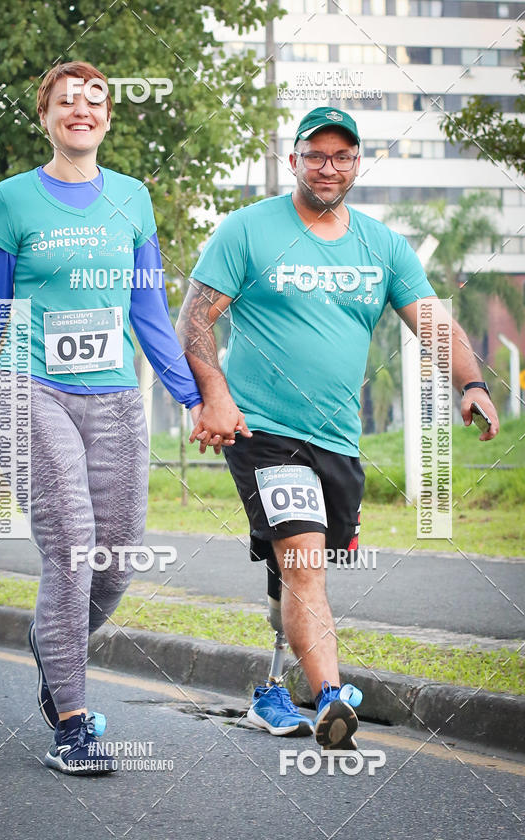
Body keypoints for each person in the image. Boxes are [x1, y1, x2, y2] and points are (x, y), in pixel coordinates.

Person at [176, 106, 499, 750]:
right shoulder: (247, 230)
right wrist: (212, 395)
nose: (329, 166)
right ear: (293, 159)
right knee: (302, 562)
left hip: (338, 440)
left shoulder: (381, 245)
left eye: (342, 156)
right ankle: (330, 698)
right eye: (316, 154)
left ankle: (272, 688)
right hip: (261, 429)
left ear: (356, 164)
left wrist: (472, 383)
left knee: (297, 565)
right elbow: (195, 319)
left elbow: (430, 322)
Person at [0, 61, 206, 775]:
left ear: (108, 117)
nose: (81, 110)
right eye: (65, 101)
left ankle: (50, 646)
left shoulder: (134, 200)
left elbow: (148, 312)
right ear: (46, 116)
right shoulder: (13, 201)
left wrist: (191, 395)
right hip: (32, 388)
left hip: (113, 393)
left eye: (95, 100)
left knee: (115, 556)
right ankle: (74, 724)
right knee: (73, 546)